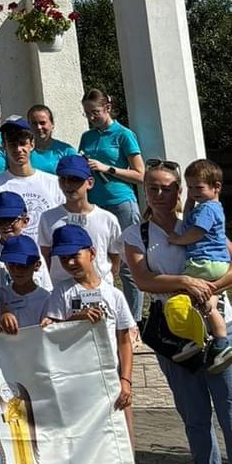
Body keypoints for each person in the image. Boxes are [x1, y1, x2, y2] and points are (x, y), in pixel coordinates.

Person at [123, 160, 232, 464]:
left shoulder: (200, 222)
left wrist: (210, 288)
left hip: (217, 328)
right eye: (152, 188)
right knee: (195, 418)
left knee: (230, 412)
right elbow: (143, 280)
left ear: (179, 191)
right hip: (175, 336)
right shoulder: (136, 234)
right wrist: (186, 282)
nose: (160, 194)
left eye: (167, 188)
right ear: (145, 191)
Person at [42, 223, 140, 464]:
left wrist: (126, 380)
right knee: (83, 453)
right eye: (64, 258)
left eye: (75, 255)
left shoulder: (114, 294)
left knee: (116, 451)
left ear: (92, 253)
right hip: (76, 385)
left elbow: (124, 338)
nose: (70, 263)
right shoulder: (61, 293)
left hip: (110, 382)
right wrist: (77, 319)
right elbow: (49, 332)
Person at [78, 90, 144, 313]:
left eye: (95, 112)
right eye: (87, 113)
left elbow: (140, 174)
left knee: (128, 263)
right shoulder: (87, 136)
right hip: (94, 205)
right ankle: (105, 312)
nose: (91, 117)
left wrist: (108, 168)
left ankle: (134, 318)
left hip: (121, 203)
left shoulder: (124, 134)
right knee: (97, 260)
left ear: (107, 108)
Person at [162, 161, 232, 372]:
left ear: (216, 187)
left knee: (180, 294)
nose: (193, 192)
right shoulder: (210, 207)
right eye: (190, 187)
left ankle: (195, 338)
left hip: (203, 263)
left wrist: (178, 240)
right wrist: (190, 200)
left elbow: (196, 232)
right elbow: (188, 218)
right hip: (217, 264)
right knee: (208, 305)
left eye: (198, 188)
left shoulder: (207, 209)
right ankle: (220, 343)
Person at [39, 156, 123, 286]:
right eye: (63, 179)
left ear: (90, 183)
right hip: (62, 288)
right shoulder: (48, 218)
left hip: (99, 287)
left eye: (75, 180)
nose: (68, 185)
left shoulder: (107, 219)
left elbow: (115, 256)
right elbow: (46, 256)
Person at [0, 120, 64, 238]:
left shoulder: (53, 182)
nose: (18, 149)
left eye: (23, 143)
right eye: (12, 144)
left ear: (32, 145)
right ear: (4, 146)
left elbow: (63, 220)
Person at [25, 103, 76, 174]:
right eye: (34, 123)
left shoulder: (66, 151)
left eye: (42, 123)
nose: (39, 127)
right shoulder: (23, 151)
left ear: (52, 124)